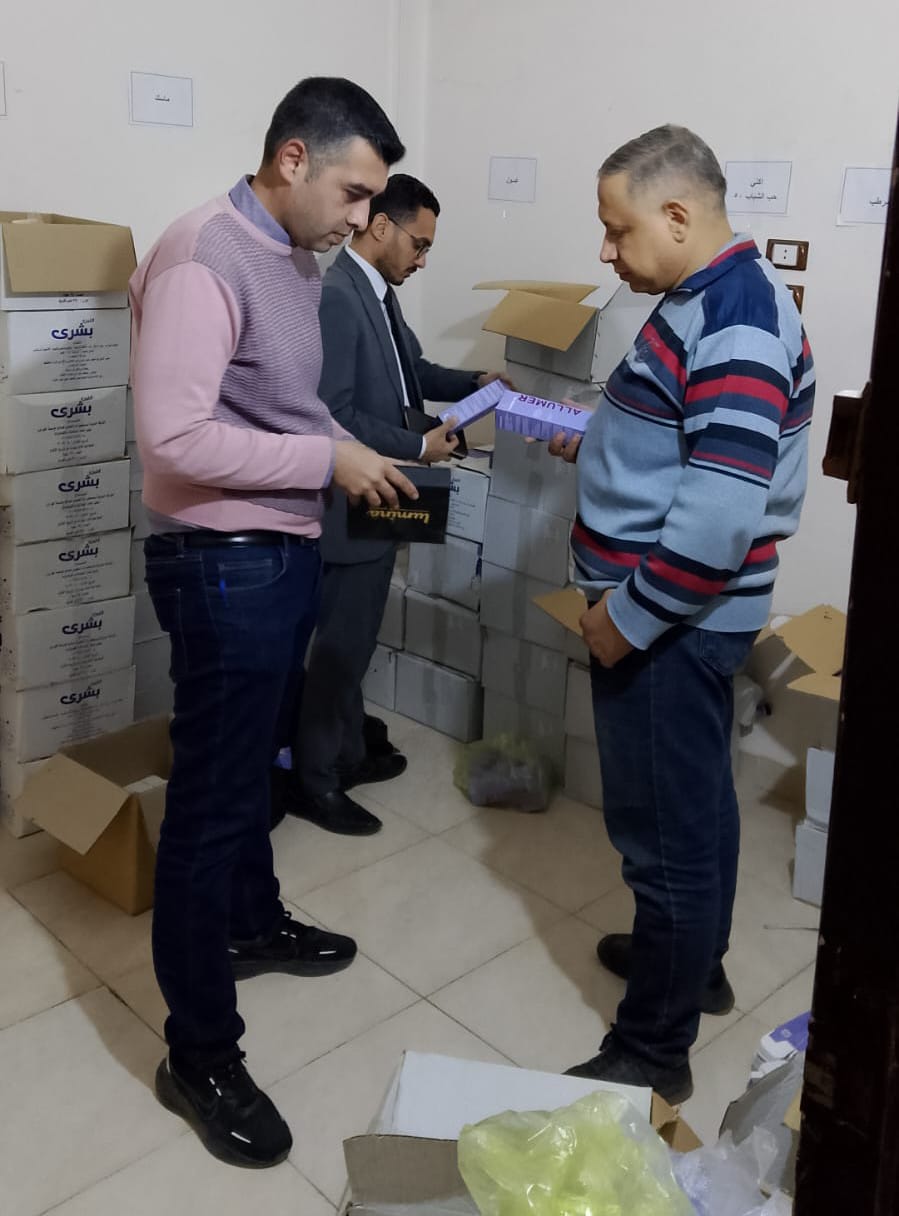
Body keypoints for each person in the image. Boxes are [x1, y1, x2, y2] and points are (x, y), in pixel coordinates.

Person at [129, 76, 415, 1168]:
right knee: (209, 806)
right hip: (223, 563)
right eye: (353, 192)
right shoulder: (204, 253)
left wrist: (347, 452)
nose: (362, 218)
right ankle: (199, 1054)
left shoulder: (297, 255)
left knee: (254, 765)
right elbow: (173, 439)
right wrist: (323, 458)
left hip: (277, 550)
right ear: (292, 158)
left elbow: (278, 408)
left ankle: (251, 920)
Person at [552, 125, 814, 1102]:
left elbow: (717, 516)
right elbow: (692, 441)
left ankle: (652, 1049)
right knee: (695, 808)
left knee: (661, 837)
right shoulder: (707, 297)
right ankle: (694, 967)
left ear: (676, 214)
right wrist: (604, 440)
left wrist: (623, 620)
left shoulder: (735, 317)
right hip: (679, 618)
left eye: (617, 229)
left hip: (668, 624)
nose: (606, 250)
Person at [289, 173, 508, 835]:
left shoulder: (377, 293)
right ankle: (315, 781)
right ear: (380, 226)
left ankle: (348, 754)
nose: (423, 259)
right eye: (419, 244)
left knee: (357, 641)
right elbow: (334, 414)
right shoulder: (338, 297)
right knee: (339, 650)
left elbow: (414, 373)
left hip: (382, 498)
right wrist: (418, 444)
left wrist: (476, 382)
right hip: (349, 505)